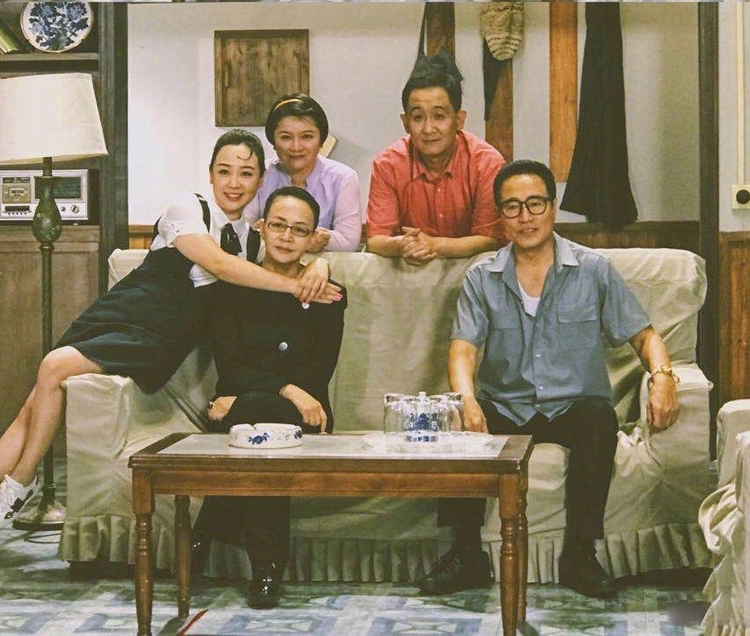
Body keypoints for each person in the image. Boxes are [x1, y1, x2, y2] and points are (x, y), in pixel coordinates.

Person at [0, 130, 341, 532]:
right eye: (224, 171)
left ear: (259, 180)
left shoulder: (253, 236)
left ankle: (22, 479)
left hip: (161, 338)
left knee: (53, 366)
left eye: (246, 173)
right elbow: (218, 265)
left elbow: (295, 252)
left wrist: (320, 266)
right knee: (36, 398)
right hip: (127, 312)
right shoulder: (189, 207)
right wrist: (297, 286)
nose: (234, 183)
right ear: (210, 174)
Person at [418, 160, 680, 599]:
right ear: (500, 216)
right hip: (508, 403)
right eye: (512, 207)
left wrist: (664, 377)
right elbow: (463, 348)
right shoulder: (483, 276)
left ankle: (580, 555)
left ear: (552, 208)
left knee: (599, 419)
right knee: (456, 420)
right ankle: (465, 555)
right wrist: (466, 399)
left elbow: (644, 335)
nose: (525, 217)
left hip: (573, 406)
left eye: (535, 204)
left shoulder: (593, 269)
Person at [199, 185, 347, 610]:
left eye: (299, 230)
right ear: (261, 228)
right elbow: (230, 366)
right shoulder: (232, 286)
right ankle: (267, 570)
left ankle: (209, 527)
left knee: (262, 415)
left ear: (313, 238)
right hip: (274, 407)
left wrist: (241, 399)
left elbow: (317, 376)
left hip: (297, 414)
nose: (286, 236)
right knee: (267, 418)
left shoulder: (328, 294)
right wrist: (287, 389)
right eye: (278, 225)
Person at [366, 51, 506, 265]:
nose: (428, 129)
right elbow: (376, 240)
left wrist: (435, 245)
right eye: (418, 117)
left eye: (439, 116)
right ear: (405, 123)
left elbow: (490, 239)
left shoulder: (486, 163)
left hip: (471, 268)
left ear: (459, 120)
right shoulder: (388, 164)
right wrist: (404, 245)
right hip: (410, 268)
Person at [243, 94, 362, 252]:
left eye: (307, 137)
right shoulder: (259, 173)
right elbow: (244, 230)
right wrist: (307, 237)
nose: (296, 147)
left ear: (321, 141)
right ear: (273, 142)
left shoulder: (343, 178)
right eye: (286, 137)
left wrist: (282, 234)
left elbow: (348, 242)